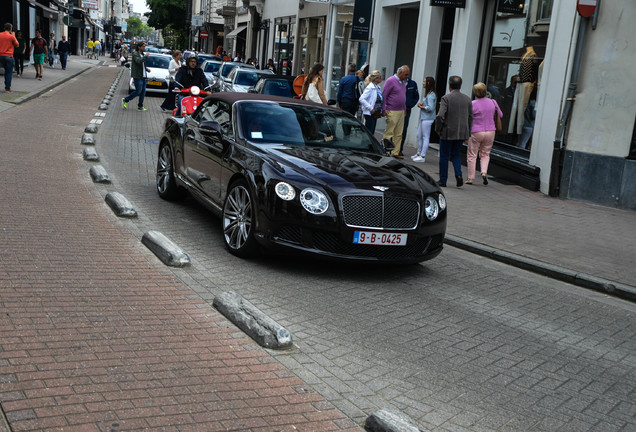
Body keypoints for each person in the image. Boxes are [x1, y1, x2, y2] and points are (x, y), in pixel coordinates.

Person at [434, 75, 473, 187]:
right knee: (456, 155)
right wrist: (468, 133)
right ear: (460, 86)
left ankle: (443, 179)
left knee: (444, 156)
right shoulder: (467, 99)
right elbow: (470, 117)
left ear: (449, 85)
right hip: (461, 132)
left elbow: (440, 115)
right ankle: (459, 175)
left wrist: (438, 129)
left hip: (448, 131)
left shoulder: (446, 98)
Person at [466, 82, 502, 185]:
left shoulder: (473, 104)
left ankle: (471, 178)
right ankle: (484, 172)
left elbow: (467, 117)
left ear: (475, 93)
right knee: (485, 154)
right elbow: (501, 114)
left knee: (472, 155)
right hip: (490, 131)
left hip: (477, 131)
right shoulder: (493, 102)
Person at [382, 65, 410, 159]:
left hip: (401, 110)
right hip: (392, 110)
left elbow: (403, 96)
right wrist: (384, 108)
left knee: (399, 133)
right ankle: (386, 150)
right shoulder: (390, 80)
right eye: (406, 74)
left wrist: (404, 109)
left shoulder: (403, 82)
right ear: (400, 73)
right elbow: (384, 95)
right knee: (389, 132)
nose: (407, 76)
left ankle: (395, 152)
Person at [412, 76, 437, 163]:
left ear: (428, 83)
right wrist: (422, 104)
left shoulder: (431, 95)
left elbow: (431, 108)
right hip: (424, 117)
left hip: (428, 118)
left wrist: (421, 106)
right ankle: (418, 153)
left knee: (425, 136)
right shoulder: (428, 94)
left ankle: (422, 156)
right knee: (419, 135)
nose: (423, 83)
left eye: (424, 81)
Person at [122, 41, 151, 111]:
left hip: (143, 76)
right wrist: (146, 56)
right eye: (143, 46)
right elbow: (138, 61)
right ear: (139, 47)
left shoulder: (142, 54)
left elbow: (142, 64)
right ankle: (126, 99)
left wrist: (146, 69)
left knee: (143, 92)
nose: (144, 48)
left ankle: (140, 106)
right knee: (138, 91)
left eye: (145, 46)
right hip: (137, 76)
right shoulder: (135, 54)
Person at [358, 70, 383, 135]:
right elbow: (361, 99)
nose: (381, 78)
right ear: (375, 78)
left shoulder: (377, 87)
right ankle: (366, 144)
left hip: (375, 112)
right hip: (370, 112)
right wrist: (370, 108)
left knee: (371, 132)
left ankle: (370, 144)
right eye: (380, 77)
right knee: (369, 131)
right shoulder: (370, 88)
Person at [400, 75, 419, 156]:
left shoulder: (412, 84)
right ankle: (392, 148)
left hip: (406, 110)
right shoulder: (397, 82)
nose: (405, 75)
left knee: (403, 130)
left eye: (407, 73)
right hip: (397, 109)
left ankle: (400, 149)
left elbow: (416, 96)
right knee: (394, 129)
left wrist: (409, 105)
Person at [0, 23, 19, 92]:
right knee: (8, 72)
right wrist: (14, 36)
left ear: (4, 28)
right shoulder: (11, 36)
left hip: (0, 55)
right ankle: (7, 88)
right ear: (11, 29)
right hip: (8, 56)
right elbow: (17, 45)